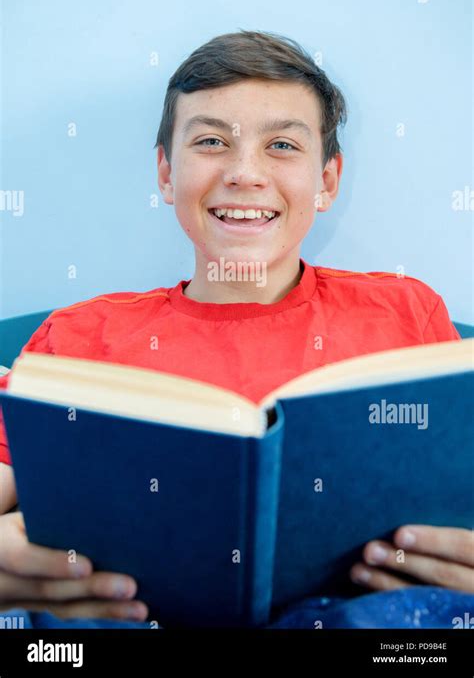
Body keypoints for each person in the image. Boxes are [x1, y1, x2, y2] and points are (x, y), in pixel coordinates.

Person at [0, 31, 472, 627]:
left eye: (280, 144)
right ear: (167, 173)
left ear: (326, 181)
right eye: (211, 141)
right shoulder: (77, 337)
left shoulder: (407, 314)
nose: (245, 173)